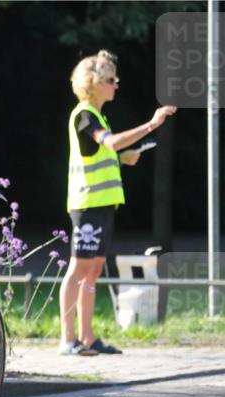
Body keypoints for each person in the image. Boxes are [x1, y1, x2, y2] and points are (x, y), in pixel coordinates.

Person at [59, 49, 176, 355]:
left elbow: (102, 151)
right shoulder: (84, 114)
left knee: (93, 270)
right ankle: (67, 339)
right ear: (94, 82)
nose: (116, 84)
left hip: (102, 205)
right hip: (87, 205)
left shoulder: (96, 116)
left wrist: (123, 157)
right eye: (111, 79)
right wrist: (151, 124)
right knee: (79, 269)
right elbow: (108, 141)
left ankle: (87, 338)